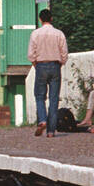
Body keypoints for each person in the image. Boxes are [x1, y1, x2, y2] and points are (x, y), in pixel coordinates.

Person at [27, 8, 68, 137]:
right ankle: (51, 131)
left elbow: (30, 54)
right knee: (54, 98)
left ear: (40, 19)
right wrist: (60, 63)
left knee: (40, 96)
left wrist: (36, 64)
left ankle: (42, 120)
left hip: (41, 65)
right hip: (55, 65)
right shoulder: (59, 33)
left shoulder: (35, 34)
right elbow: (64, 53)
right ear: (51, 19)